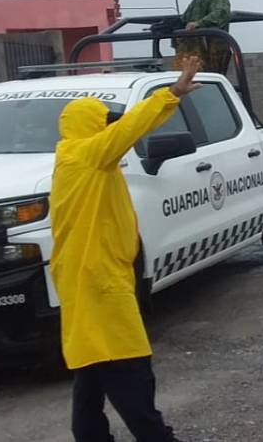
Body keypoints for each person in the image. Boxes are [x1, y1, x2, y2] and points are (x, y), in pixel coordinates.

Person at [51, 58, 203, 442]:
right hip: (100, 284)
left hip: (87, 281)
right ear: (90, 127)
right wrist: (170, 96)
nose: (111, 127)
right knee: (129, 371)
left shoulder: (79, 161)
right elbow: (130, 128)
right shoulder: (86, 156)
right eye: (105, 121)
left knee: (91, 373)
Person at [176, 0, 232, 74]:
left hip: (213, 45)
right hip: (194, 47)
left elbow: (220, 13)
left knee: (212, 75)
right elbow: (185, 18)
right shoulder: (198, 0)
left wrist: (199, 24)